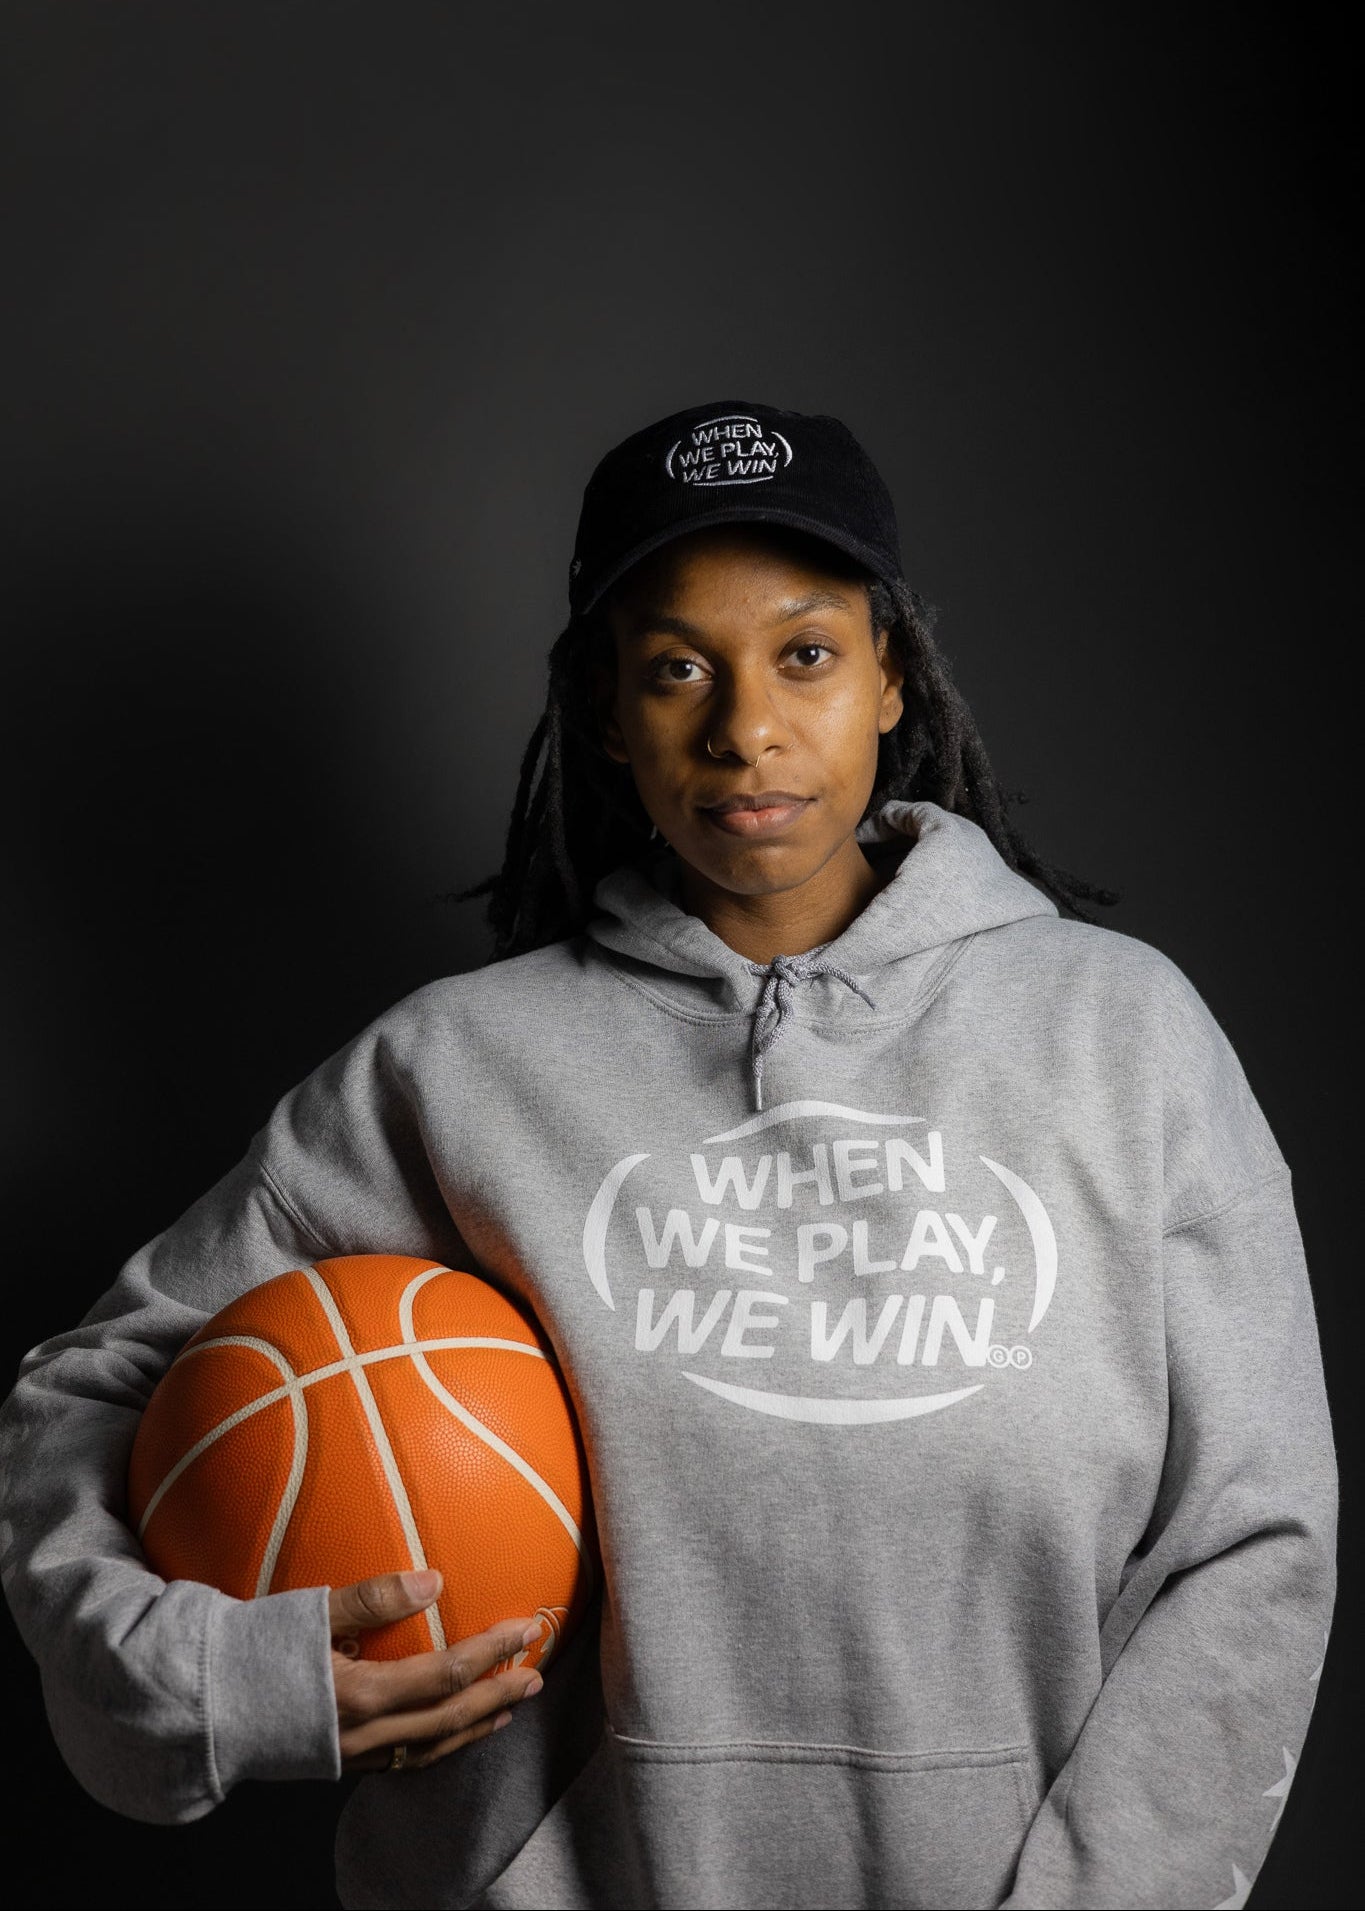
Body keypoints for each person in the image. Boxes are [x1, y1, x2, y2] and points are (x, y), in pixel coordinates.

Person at [0, 399, 1337, 1910]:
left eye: (805, 654)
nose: (743, 727)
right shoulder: (454, 1074)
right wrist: (217, 1679)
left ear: (893, 674)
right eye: (676, 667)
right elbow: (89, 1396)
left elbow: (1252, 1535)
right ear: (605, 711)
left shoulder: (1124, 1038)